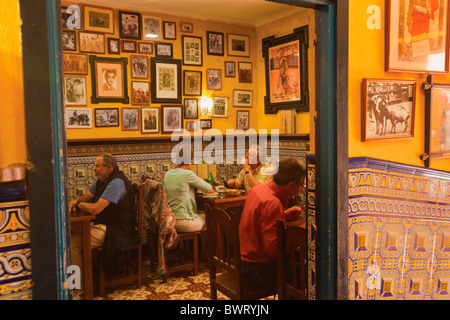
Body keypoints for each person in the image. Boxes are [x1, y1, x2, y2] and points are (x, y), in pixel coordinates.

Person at [69, 153, 139, 296]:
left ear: (108, 167)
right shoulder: (102, 180)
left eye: (97, 166)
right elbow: (87, 197)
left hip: (119, 231)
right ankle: (85, 279)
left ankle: (77, 290)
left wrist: (78, 203)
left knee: (74, 242)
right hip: (108, 225)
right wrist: (77, 202)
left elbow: (95, 209)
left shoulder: (117, 183)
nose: (94, 168)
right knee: (73, 235)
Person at [239, 157, 306, 290]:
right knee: (311, 273)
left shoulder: (258, 190)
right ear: (291, 184)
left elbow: (259, 220)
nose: (300, 190)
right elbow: (274, 251)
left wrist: (284, 215)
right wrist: (297, 238)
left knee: (302, 257)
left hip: (244, 262)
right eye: (301, 185)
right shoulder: (272, 203)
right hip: (258, 271)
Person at [164, 160, 213, 232]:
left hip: (169, 220)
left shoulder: (168, 174)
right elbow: (210, 189)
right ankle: (208, 243)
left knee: (201, 213)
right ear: (190, 162)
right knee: (210, 218)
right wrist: (200, 179)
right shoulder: (188, 174)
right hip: (182, 222)